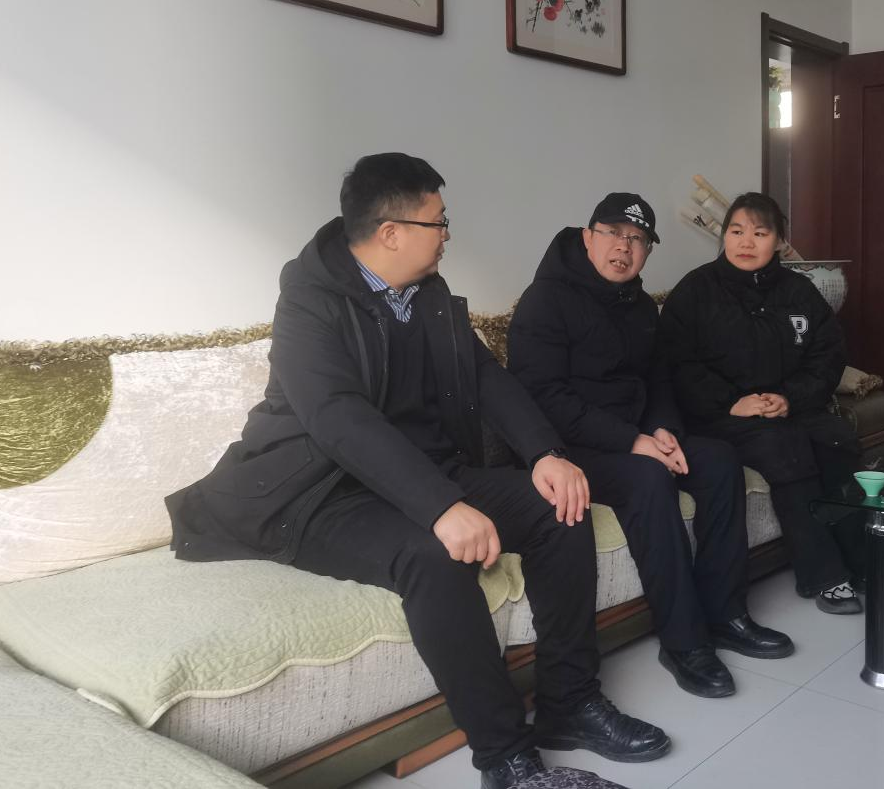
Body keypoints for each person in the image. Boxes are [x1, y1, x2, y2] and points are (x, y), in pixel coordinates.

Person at [165, 155, 668, 789]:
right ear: (392, 232)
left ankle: (570, 703)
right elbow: (337, 417)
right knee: (434, 555)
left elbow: (485, 375)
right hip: (322, 492)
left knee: (560, 505)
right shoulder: (308, 300)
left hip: (423, 470)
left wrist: (546, 453)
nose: (448, 234)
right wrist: (441, 507)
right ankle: (508, 761)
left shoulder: (426, 292)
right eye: (439, 221)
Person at [507, 193, 793, 701]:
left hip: (634, 438)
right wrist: (633, 441)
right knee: (648, 477)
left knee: (719, 459)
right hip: (567, 450)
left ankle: (725, 613)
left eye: (638, 239)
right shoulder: (544, 300)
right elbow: (543, 397)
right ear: (587, 237)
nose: (625, 247)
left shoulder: (639, 305)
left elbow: (659, 378)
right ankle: (684, 642)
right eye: (614, 234)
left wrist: (663, 430)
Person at [658, 192, 865, 615]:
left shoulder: (799, 291)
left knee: (837, 437)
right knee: (784, 447)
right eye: (736, 231)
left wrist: (789, 398)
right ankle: (825, 576)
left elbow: (828, 355)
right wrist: (732, 402)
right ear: (724, 237)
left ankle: (861, 560)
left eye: (759, 233)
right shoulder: (696, 290)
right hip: (718, 416)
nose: (746, 242)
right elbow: (675, 363)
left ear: (780, 241)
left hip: (788, 407)